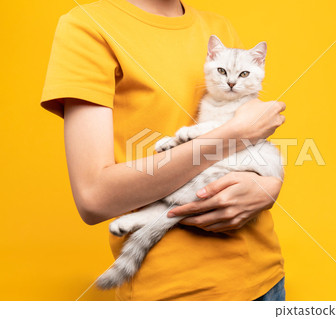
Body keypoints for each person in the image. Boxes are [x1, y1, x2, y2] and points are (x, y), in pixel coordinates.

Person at [41, 0, 286, 301]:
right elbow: (94, 198)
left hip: (265, 279)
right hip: (174, 292)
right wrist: (230, 134)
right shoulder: (88, 26)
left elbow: (250, 142)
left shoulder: (218, 26)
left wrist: (269, 186)